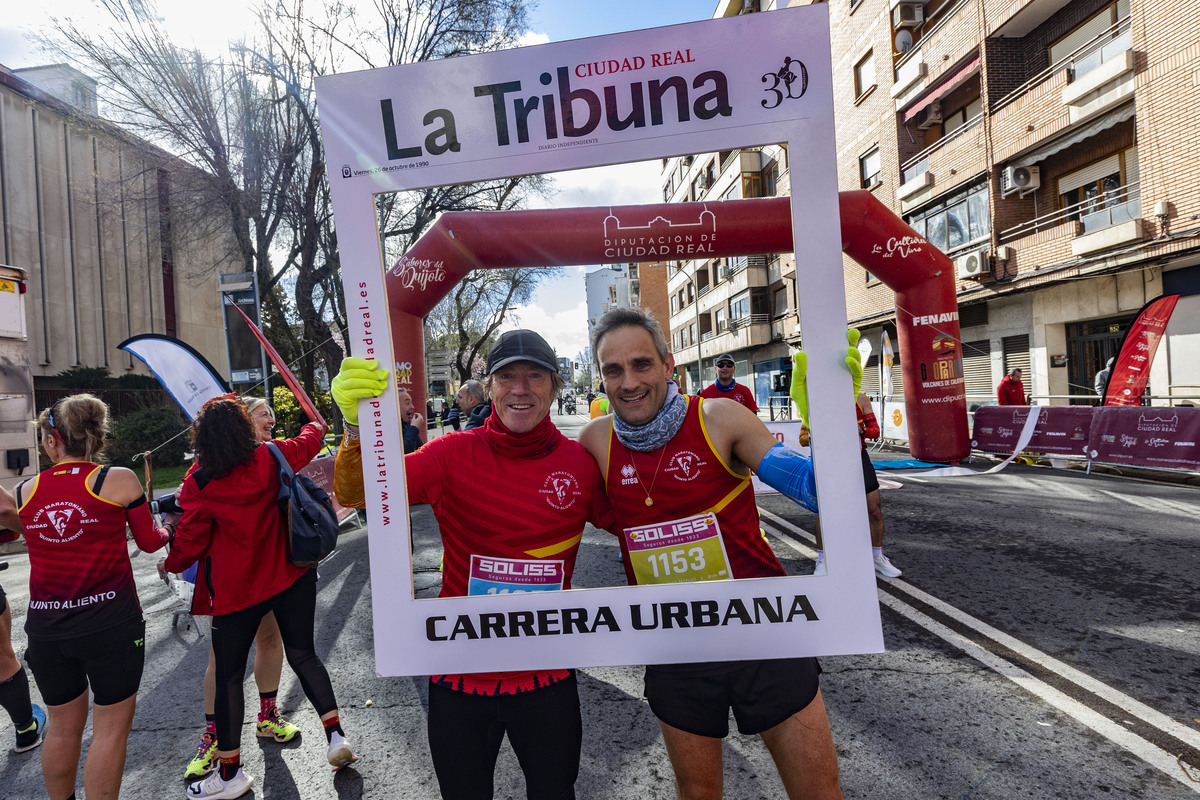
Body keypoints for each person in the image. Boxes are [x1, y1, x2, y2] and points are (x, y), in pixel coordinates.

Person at [331, 330, 612, 800]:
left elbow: (640, 523)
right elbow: (358, 494)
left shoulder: (579, 463)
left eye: (535, 376)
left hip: (546, 675)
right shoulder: (450, 455)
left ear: (556, 386)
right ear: (490, 387)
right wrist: (356, 428)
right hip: (461, 676)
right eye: (507, 377)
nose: (520, 389)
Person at [578, 308, 842, 800]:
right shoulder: (596, 441)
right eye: (613, 370)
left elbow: (811, 487)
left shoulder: (718, 417)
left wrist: (831, 423)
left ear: (668, 365)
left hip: (764, 632)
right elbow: (542, 499)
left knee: (819, 794)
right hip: (675, 643)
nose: (629, 382)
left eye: (641, 365)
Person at [161, 397, 356, 799]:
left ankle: (231, 773)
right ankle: (335, 736)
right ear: (244, 428)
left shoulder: (199, 481)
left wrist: (170, 558)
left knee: (230, 676)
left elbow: (191, 543)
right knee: (304, 654)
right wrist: (314, 424)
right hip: (290, 574)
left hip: (237, 591)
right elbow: (309, 438)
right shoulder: (271, 454)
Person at [14, 394, 170, 800]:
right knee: (109, 733)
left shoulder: (24, 491)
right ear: (97, 438)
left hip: (47, 631)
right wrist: (170, 530)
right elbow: (151, 543)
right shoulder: (118, 479)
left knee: (62, 728)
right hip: (110, 627)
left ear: (52, 441)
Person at [176, 398, 301, 781]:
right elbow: (192, 532)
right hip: (229, 585)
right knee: (223, 663)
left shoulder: (269, 456)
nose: (272, 419)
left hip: (269, 576)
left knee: (271, 641)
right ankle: (214, 736)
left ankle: (268, 716)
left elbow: (308, 443)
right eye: (264, 413)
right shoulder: (203, 473)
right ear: (244, 422)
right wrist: (170, 555)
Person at [808, 393, 901, 578]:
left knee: (874, 509)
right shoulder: (818, 393)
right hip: (830, 457)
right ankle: (823, 560)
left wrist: (861, 430)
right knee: (825, 511)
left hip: (858, 456)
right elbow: (809, 432)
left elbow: (875, 431)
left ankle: (877, 556)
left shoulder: (860, 398)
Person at [398, 387, 425, 453]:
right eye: (407, 403)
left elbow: (422, 450)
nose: (412, 407)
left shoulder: (407, 425)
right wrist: (414, 428)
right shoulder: (383, 429)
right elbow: (402, 452)